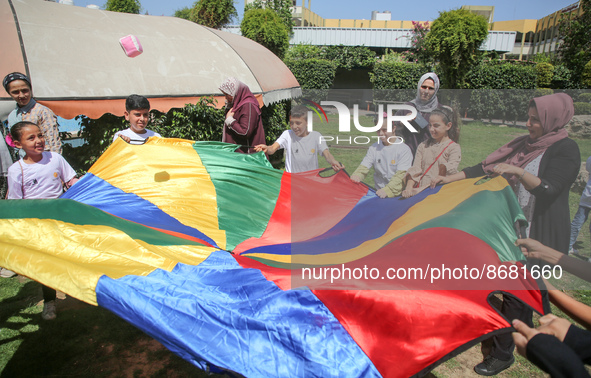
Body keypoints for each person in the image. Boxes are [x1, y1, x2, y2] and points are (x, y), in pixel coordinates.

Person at [433, 92, 581, 375]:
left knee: (518, 293)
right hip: (508, 228)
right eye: (528, 117)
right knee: (521, 290)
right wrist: (447, 179)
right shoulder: (523, 145)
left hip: (538, 233)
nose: (528, 124)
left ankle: (503, 353)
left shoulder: (566, 149)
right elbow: (484, 168)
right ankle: (534, 325)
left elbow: (550, 188)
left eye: (535, 120)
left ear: (553, 120)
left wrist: (517, 170)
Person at [6, 121, 78, 320]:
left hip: (63, 220)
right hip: (38, 226)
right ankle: (50, 302)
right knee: (47, 264)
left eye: (40, 135)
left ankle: (79, 292)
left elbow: (71, 181)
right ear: (18, 144)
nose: (39, 141)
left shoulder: (55, 158)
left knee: (69, 256)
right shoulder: (16, 170)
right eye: (31, 138)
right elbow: (15, 203)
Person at [254, 105, 343, 173]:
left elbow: (327, 154)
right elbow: (272, 148)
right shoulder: (287, 135)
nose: (294, 126)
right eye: (291, 123)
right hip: (292, 182)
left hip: (311, 182)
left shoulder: (316, 136)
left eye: (298, 123)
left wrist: (333, 161)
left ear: (307, 122)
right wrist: (267, 148)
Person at [401, 106, 460, 198]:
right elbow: (415, 169)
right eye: (430, 125)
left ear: (448, 126)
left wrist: (421, 190)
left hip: (439, 195)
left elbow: (446, 177)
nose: (431, 129)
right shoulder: (423, 146)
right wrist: (409, 187)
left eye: (436, 126)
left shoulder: (453, 148)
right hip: (418, 195)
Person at [350, 112, 413, 197]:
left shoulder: (404, 149)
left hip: (397, 196)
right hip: (378, 193)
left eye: (384, 130)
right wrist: (357, 175)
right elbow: (364, 167)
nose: (381, 134)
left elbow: (401, 176)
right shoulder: (374, 148)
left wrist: (387, 190)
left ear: (394, 128)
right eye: (378, 130)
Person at [3, 72, 61, 153]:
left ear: (30, 89)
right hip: (25, 161)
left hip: (44, 159)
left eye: (25, 90)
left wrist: (55, 163)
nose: (22, 95)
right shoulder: (12, 116)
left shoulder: (42, 111)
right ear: (9, 93)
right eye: (16, 92)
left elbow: (53, 143)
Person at [398, 72, 443, 157]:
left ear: (435, 90)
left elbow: (441, 136)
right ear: (419, 86)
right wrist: (401, 123)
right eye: (424, 87)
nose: (426, 91)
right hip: (408, 156)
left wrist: (418, 118)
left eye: (430, 88)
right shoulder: (408, 106)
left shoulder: (440, 110)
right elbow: (393, 130)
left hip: (430, 156)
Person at [219, 77, 266, 154]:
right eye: (225, 95)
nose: (226, 98)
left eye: (228, 95)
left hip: (247, 157)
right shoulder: (238, 104)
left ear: (236, 92)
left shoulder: (248, 106)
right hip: (237, 155)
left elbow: (245, 132)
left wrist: (230, 121)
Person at [569, 155, 591, 256]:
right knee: (578, 220)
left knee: (578, 220)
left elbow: (588, 167)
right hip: (587, 195)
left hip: (588, 195)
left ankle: (568, 246)